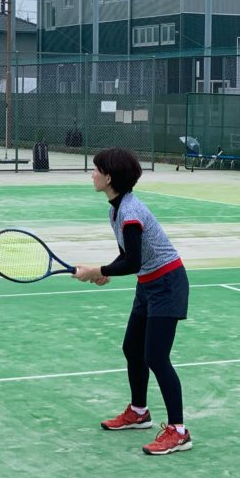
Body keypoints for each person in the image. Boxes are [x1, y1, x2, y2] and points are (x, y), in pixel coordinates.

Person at [73, 148, 193, 456]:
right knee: (132, 348)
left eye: (96, 169)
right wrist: (104, 272)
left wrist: (98, 270)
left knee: (156, 357)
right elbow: (127, 257)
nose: (92, 174)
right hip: (148, 284)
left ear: (109, 178)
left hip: (167, 284)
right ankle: (139, 412)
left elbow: (133, 261)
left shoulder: (129, 212)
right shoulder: (116, 209)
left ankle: (179, 431)